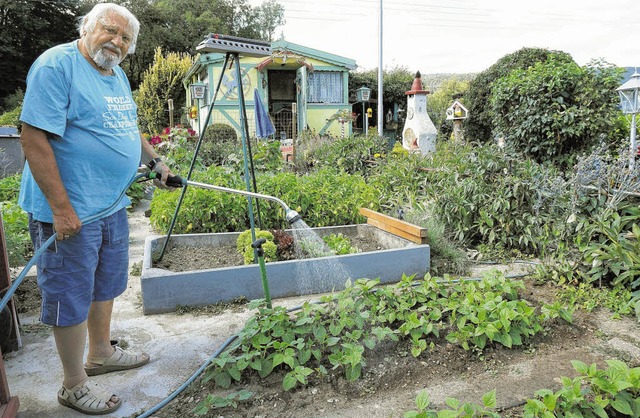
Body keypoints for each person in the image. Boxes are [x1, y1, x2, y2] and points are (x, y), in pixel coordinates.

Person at [18, 3, 174, 415]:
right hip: (70, 211)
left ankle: (101, 352)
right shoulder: (57, 66)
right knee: (69, 294)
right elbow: (33, 139)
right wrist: (60, 208)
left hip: (109, 204)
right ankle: (73, 384)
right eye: (110, 31)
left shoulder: (116, 73)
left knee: (105, 284)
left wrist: (155, 163)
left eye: (126, 39)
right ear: (87, 27)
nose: (117, 42)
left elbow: (127, 126)